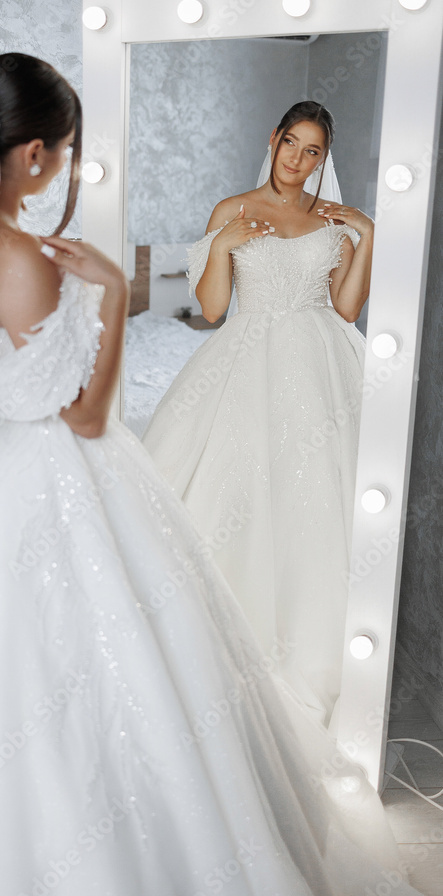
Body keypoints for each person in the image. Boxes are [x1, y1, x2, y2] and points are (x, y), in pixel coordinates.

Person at [0, 67, 417, 896]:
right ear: (34, 155)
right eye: (67, 152)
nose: (66, 168)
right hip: (42, 471)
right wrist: (111, 294)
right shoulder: (22, 260)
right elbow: (82, 415)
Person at [142, 101, 373, 728]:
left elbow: (347, 310)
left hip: (320, 363)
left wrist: (367, 235)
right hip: (246, 356)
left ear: (323, 158)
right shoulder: (232, 210)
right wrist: (224, 244)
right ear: (273, 139)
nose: (297, 159)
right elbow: (212, 309)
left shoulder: (333, 221)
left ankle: (311, 644)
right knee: (234, 487)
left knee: (312, 498)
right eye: (290, 143)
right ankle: (227, 645)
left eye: (312, 150)